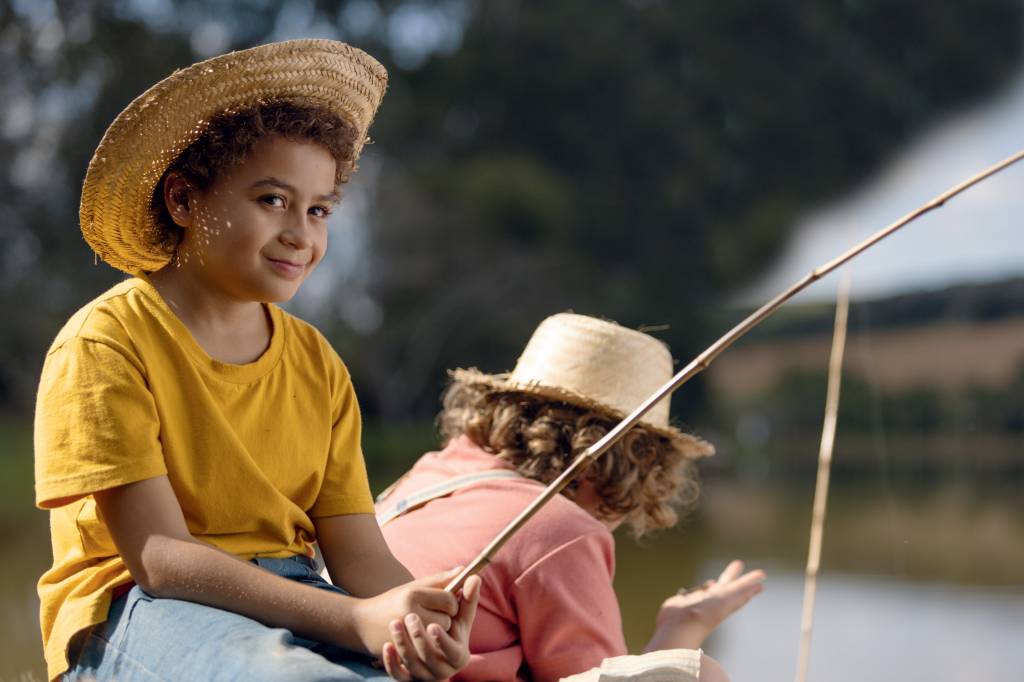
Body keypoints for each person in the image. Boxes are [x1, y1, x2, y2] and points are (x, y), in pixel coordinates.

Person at [33, 39, 480, 682]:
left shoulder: (317, 364)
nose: (301, 233)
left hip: (292, 596)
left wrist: (413, 620)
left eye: (319, 209)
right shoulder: (106, 342)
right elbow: (160, 558)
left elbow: (358, 559)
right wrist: (356, 621)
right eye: (273, 200)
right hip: (138, 612)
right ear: (184, 201)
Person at [375, 313, 766, 681]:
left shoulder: (428, 472)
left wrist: (682, 621)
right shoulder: (559, 529)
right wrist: (687, 627)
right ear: (636, 458)